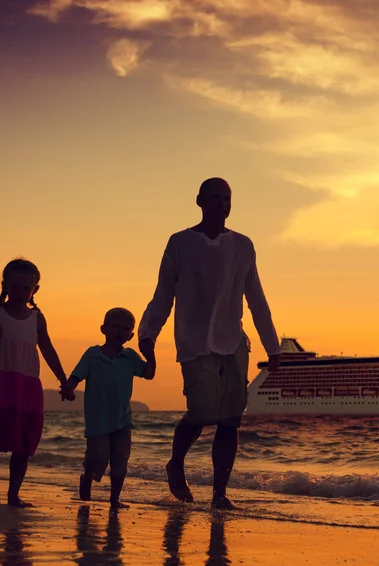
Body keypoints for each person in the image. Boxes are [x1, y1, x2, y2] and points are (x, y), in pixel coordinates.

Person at [138, 177, 281, 510]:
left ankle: (219, 494)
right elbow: (163, 294)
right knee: (201, 412)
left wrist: (273, 347)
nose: (222, 203)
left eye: (227, 198)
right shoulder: (179, 243)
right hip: (194, 342)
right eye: (215, 197)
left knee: (231, 419)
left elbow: (256, 298)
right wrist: (148, 334)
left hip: (234, 343)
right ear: (199, 200)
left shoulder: (243, 245)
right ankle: (176, 463)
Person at [0, 258, 73, 507]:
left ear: (35, 290)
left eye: (26, 288)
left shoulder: (37, 318)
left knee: (24, 441)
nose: (20, 293)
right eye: (15, 287)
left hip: (27, 384)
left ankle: (13, 494)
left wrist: (63, 378)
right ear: (5, 286)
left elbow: (48, 348)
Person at [61, 308, 156, 509]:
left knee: (120, 460)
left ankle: (114, 499)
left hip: (123, 419)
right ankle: (87, 476)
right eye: (115, 327)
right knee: (99, 459)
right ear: (103, 329)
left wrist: (151, 356)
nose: (120, 331)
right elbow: (76, 376)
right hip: (98, 420)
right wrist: (68, 389)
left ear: (130, 335)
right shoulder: (93, 354)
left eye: (125, 329)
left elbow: (148, 374)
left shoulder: (130, 357)